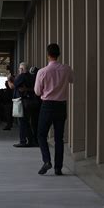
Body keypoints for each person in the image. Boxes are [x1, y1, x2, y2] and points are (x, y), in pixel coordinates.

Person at [34, 44, 73, 175]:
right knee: (59, 138)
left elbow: (38, 92)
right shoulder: (67, 69)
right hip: (61, 106)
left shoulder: (42, 72)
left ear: (48, 54)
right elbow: (72, 80)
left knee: (41, 134)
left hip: (47, 106)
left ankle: (46, 161)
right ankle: (58, 168)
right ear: (59, 54)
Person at [9, 62, 36, 147]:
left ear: (22, 69)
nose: (18, 70)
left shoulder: (22, 76)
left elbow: (12, 86)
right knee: (27, 122)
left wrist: (9, 79)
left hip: (22, 102)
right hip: (30, 102)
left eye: (19, 69)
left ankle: (23, 141)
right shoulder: (31, 77)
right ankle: (31, 140)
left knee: (22, 122)